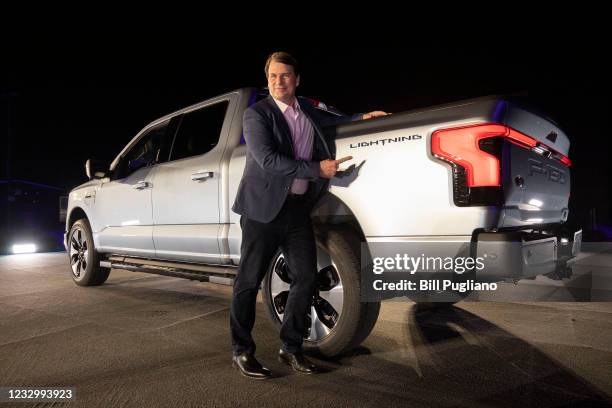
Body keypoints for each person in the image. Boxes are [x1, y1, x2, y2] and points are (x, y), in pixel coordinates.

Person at [230, 51, 388, 379]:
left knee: (305, 277)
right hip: (262, 211)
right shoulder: (257, 115)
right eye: (273, 76)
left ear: (296, 80)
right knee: (248, 281)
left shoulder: (308, 113)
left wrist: (363, 119)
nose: (278, 82)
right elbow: (268, 160)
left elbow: (333, 121)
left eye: (285, 75)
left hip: (297, 211)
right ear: (268, 79)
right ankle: (242, 351)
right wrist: (318, 168)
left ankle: (290, 348)